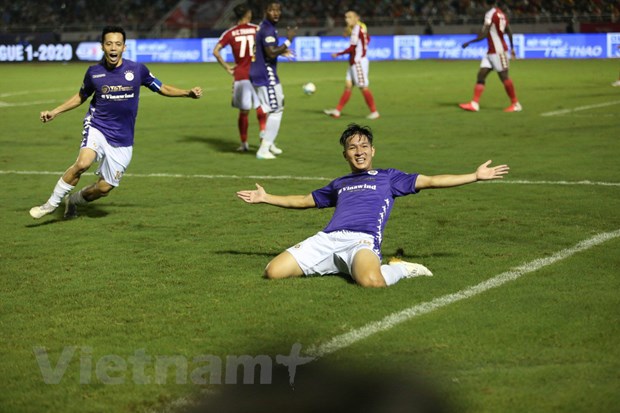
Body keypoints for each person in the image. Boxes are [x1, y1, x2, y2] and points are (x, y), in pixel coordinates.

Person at [236, 124, 510, 288]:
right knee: (273, 273)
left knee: (372, 282)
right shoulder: (339, 183)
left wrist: (474, 176)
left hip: (361, 242)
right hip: (328, 240)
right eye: (353, 148)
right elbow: (304, 200)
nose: (359, 151)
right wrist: (266, 197)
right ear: (345, 154)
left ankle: (401, 268)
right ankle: (342, 267)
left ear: (373, 150)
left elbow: (432, 180)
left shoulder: (388, 178)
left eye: (364, 146)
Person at [29, 25, 202, 220]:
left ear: (124, 47)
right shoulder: (94, 72)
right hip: (98, 126)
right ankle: (50, 204)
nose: (113, 48)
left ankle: (74, 200)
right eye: (109, 43)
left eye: (117, 44)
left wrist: (187, 93)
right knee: (83, 163)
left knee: (104, 188)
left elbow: (162, 88)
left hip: (123, 138)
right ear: (102, 46)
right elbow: (81, 97)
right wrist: (55, 111)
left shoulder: (137, 70)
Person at [213, 3, 267, 152]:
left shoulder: (230, 33)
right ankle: (263, 138)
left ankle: (244, 144)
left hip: (241, 75)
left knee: (244, 111)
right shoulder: (257, 29)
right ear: (248, 15)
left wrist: (227, 67)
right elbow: (267, 49)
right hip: (257, 74)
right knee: (261, 106)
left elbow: (216, 51)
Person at [249, 1, 296, 160]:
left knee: (273, 108)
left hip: (259, 73)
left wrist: (281, 52)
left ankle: (270, 143)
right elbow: (270, 53)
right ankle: (264, 148)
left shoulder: (264, 26)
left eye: (278, 10)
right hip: (266, 75)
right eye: (272, 10)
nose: (276, 13)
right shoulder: (268, 29)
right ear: (265, 11)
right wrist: (288, 41)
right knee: (276, 110)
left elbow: (267, 51)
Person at [459, 0, 521, 113]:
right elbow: (509, 31)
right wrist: (512, 48)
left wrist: (470, 42)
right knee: (481, 75)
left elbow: (483, 34)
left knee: (504, 77)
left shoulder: (489, 14)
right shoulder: (501, 14)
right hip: (491, 52)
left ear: (485, 4)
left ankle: (515, 104)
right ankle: (474, 104)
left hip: (498, 51)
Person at [324, 10, 380, 120]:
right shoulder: (359, 28)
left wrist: (338, 54)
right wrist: (363, 45)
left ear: (356, 18)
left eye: (349, 17)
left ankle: (374, 112)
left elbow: (352, 48)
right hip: (353, 62)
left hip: (358, 62)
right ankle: (337, 111)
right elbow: (367, 38)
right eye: (346, 17)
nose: (347, 20)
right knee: (348, 85)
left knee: (363, 87)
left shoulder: (356, 29)